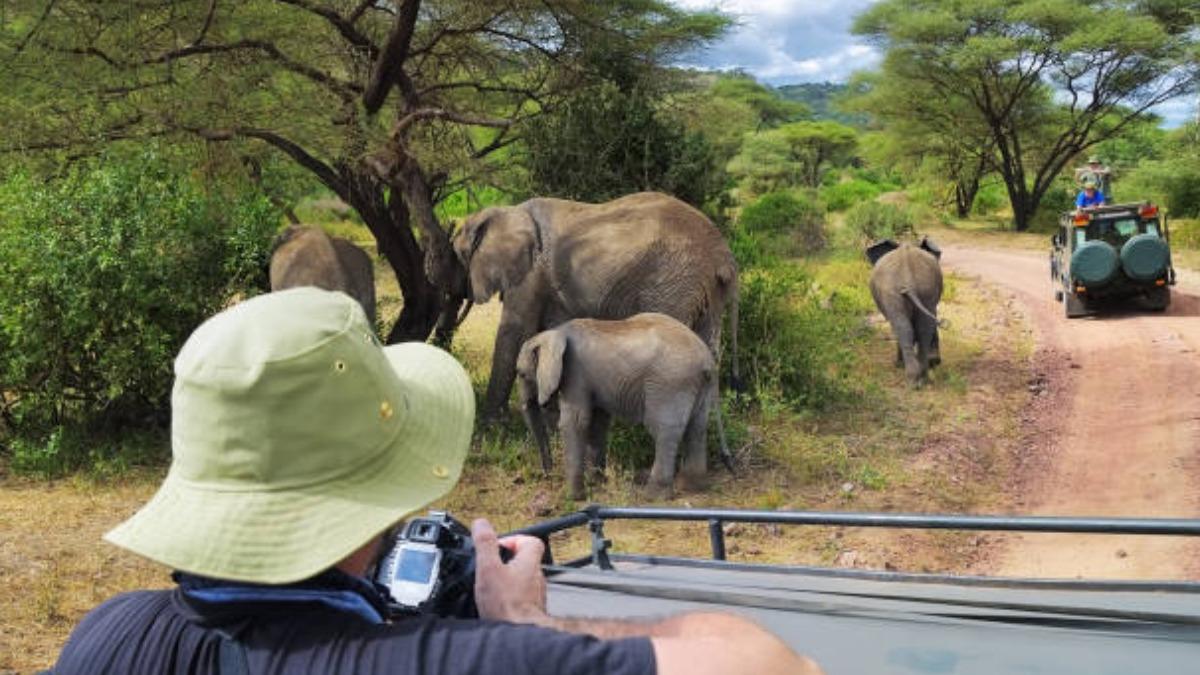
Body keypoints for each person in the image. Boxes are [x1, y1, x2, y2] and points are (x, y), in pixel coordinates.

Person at [49, 287, 822, 675]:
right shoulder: (449, 658)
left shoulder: (104, 635)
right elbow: (762, 661)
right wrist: (524, 624)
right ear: (374, 496)